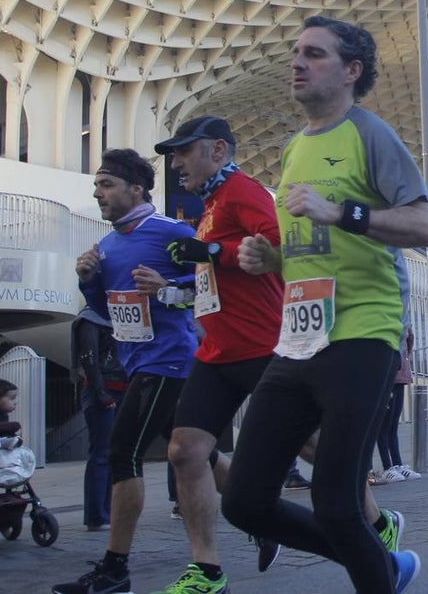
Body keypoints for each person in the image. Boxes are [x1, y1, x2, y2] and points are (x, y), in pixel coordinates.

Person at [221, 15, 428, 594]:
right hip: (298, 339)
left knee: (338, 500)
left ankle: (375, 567)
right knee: (244, 501)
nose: (296, 63)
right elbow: (309, 247)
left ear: (351, 71)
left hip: (364, 331)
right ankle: (381, 563)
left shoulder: (369, 135)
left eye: (314, 54)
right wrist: (268, 259)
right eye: (295, 53)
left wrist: (344, 212)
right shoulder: (295, 148)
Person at [147, 115, 286, 594]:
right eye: (173, 153)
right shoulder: (209, 205)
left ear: (219, 151)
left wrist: (211, 251)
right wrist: (175, 288)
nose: (176, 162)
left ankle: (374, 524)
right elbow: (212, 277)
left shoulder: (244, 191)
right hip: (215, 350)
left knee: (312, 445)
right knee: (185, 451)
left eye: (185, 151)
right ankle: (206, 570)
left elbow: (275, 244)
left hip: (259, 344)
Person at [53, 148, 199, 594]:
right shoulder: (108, 245)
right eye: (97, 185)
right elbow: (106, 312)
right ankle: (260, 514)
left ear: (136, 189)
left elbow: (217, 285)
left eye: (106, 184)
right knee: (196, 453)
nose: (97, 193)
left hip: (170, 359)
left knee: (122, 454)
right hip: (139, 363)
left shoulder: (173, 231)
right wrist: (88, 280)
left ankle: (115, 570)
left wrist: (169, 287)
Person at [71, 307, 127, 531]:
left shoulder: (116, 312)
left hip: (120, 388)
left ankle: (107, 511)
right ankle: (97, 515)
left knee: (114, 453)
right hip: (103, 391)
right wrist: (101, 392)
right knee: (102, 453)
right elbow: (89, 356)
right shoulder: (89, 317)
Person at [370, 327, 421, 484]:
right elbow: (409, 340)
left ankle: (397, 464)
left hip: (400, 375)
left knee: (392, 425)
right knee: (385, 426)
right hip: (390, 375)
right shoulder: (395, 321)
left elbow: (410, 339)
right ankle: (388, 466)